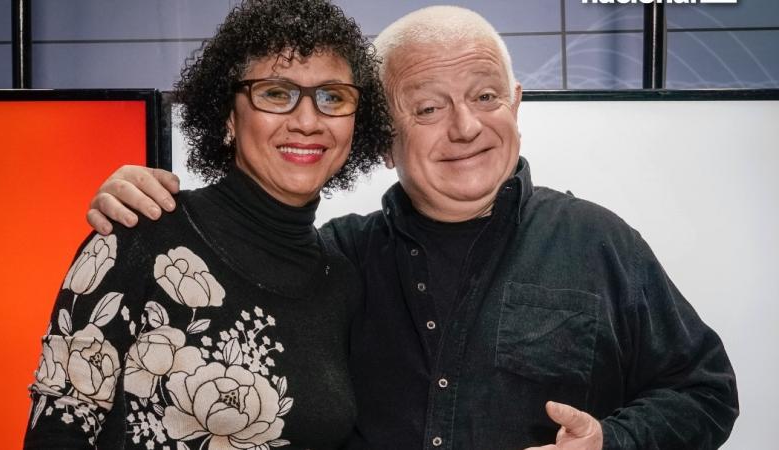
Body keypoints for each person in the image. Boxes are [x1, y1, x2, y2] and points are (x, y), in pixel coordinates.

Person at [83, 5, 739, 450]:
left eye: (486, 96)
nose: (466, 127)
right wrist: (139, 202)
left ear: (516, 106)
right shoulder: (334, 260)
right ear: (383, 139)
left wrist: (611, 441)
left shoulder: (599, 243)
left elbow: (704, 389)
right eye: (427, 107)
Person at [24, 0, 393, 449]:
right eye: (276, 93)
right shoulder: (137, 235)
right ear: (228, 117)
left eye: (332, 97)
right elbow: (58, 432)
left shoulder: (343, 280)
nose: (307, 121)